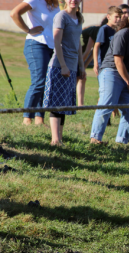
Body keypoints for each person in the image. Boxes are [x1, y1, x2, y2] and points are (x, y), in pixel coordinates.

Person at [89, 9, 129, 145]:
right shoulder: (123, 34)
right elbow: (118, 60)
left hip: (125, 75)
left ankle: (122, 142)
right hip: (111, 72)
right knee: (107, 104)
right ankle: (95, 139)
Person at [42, 0, 84, 146]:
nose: (73, 0)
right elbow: (57, 42)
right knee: (56, 103)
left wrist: (81, 66)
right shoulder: (61, 16)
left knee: (64, 104)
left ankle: (60, 139)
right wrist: (63, 66)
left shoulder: (79, 18)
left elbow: (78, 42)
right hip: (59, 66)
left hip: (72, 66)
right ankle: (54, 140)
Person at [10, 0, 60, 126]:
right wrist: (28, 30)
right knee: (39, 81)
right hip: (36, 44)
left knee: (46, 82)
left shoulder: (55, 4)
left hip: (51, 46)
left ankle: (39, 118)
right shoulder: (35, 0)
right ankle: (27, 117)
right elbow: (14, 13)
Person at [93, 7, 121, 77]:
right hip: (102, 64)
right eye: (116, 17)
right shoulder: (104, 29)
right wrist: (96, 63)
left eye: (120, 17)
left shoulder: (115, 31)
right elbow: (96, 46)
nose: (118, 19)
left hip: (111, 64)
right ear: (108, 17)